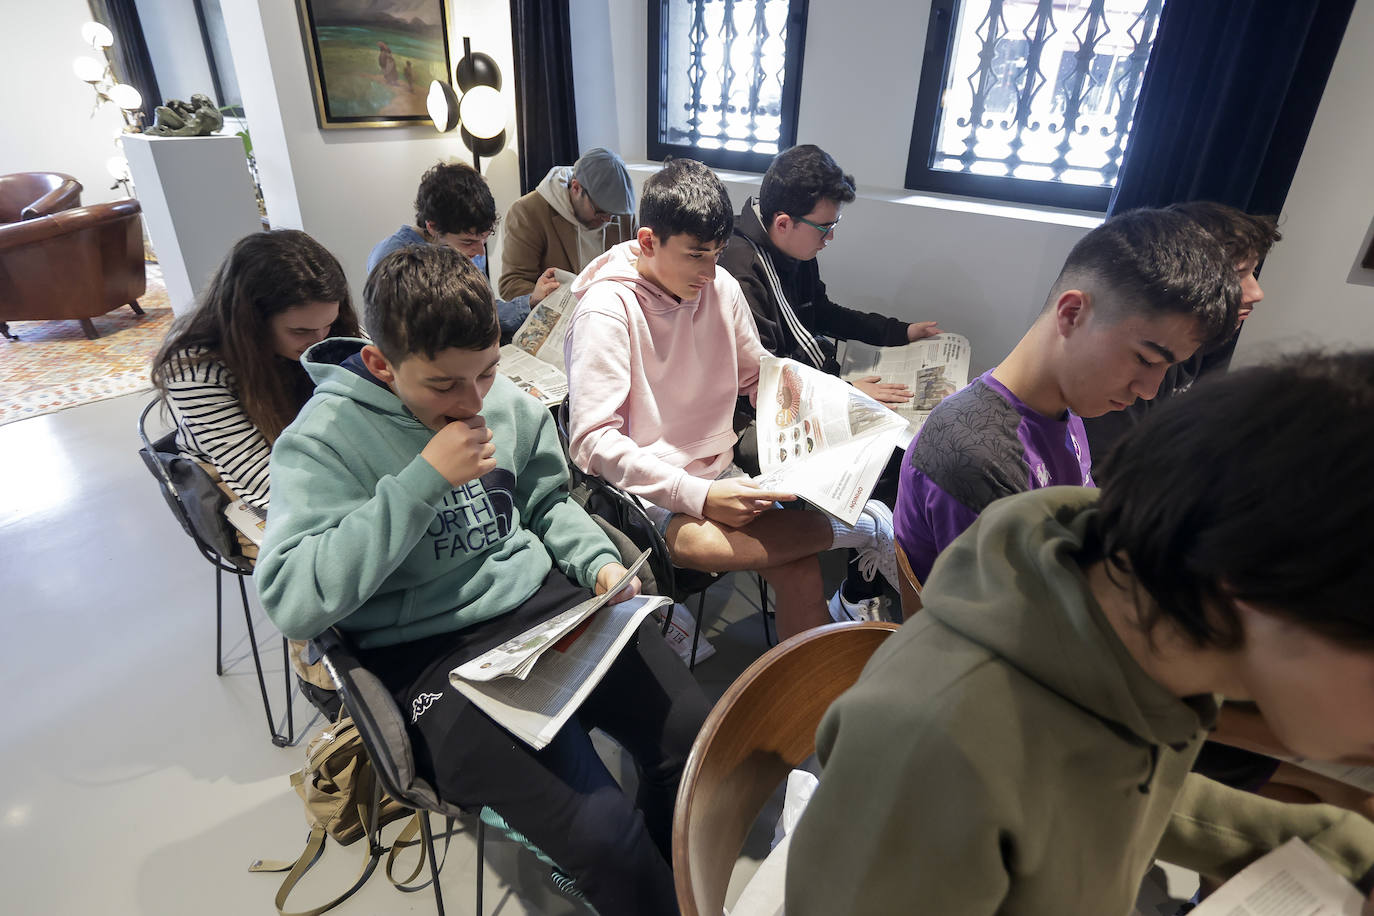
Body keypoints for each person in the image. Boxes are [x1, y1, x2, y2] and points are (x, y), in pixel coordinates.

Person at [786, 350, 1374, 915]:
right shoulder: (937, 748)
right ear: (1257, 592)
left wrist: (1337, 842)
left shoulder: (1152, 647)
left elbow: (1108, 794)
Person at [254, 244, 709, 916]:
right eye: (444, 385)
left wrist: (598, 563)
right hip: (433, 659)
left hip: (545, 610)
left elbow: (548, 502)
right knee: (603, 836)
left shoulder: (507, 405)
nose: (473, 402)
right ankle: (632, 879)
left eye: (488, 374)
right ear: (381, 364)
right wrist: (423, 480)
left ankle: (657, 882)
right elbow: (292, 600)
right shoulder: (321, 441)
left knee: (695, 737)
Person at [563, 157, 899, 639]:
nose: (709, 272)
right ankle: (868, 527)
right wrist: (698, 494)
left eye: (717, 254)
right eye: (696, 255)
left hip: (719, 472)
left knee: (800, 568)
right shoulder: (607, 310)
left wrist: (839, 407)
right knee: (754, 546)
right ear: (648, 242)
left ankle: (807, 700)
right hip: (650, 491)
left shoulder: (720, 287)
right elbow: (592, 442)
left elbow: (759, 376)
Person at [893, 208, 1239, 589]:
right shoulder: (978, 455)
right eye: (1145, 359)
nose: (1149, 390)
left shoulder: (1061, 408)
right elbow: (1013, 631)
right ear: (1072, 314)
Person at [719, 143, 941, 623]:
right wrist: (849, 395)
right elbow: (771, 380)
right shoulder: (740, 268)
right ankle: (858, 596)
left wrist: (900, 332)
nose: (830, 238)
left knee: (904, 451)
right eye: (826, 227)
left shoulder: (794, 250)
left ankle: (867, 582)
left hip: (803, 392)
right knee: (887, 458)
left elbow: (823, 312)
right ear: (783, 222)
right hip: (754, 420)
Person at [151, 229, 358, 513]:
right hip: (242, 477)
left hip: (315, 459)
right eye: (300, 331)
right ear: (251, 321)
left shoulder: (328, 328)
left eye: (329, 325)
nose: (320, 340)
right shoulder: (196, 369)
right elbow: (261, 483)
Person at [1083, 201, 1282, 470]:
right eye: (1239, 275)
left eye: (1253, 272)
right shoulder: (1129, 363)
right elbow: (1107, 471)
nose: (1256, 293)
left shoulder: (1202, 347)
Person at [367, 161, 558, 343]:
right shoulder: (391, 259)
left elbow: (482, 309)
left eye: (484, 240)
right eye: (468, 242)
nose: (480, 252)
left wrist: (531, 301)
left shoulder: (466, 252)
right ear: (432, 227)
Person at [498, 147, 636, 299]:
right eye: (600, 212)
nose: (608, 220)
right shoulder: (528, 212)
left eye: (613, 214)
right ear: (576, 188)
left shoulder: (622, 215)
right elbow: (512, 285)